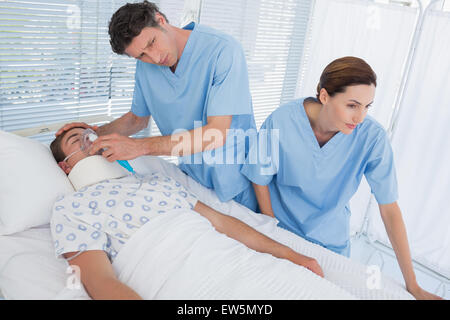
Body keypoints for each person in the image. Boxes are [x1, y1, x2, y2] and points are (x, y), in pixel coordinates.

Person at [241, 56, 443, 300]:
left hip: (329, 242)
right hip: (282, 228)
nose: (360, 117)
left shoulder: (372, 138)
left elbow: (389, 209)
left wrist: (413, 285)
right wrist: (272, 231)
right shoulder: (282, 120)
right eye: (352, 105)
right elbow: (259, 178)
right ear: (325, 96)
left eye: (368, 107)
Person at [49, 126, 325, 300]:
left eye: (92, 134)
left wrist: (290, 254)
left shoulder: (156, 180)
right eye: (77, 139)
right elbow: (100, 280)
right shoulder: (71, 208)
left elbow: (221, 222)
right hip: (180, 278)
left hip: (234, 262)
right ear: (65, 166)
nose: (89, 140)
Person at [55, 1, 257, 211]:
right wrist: (90, 134)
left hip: (236, 176)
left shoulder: (222, 51)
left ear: (161, 20)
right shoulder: (146, 66)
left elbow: (216, 133)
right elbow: (137, 119)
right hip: (193, 176)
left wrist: (140, 147)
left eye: (151, 43)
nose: (155, 58)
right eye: (141, 55)